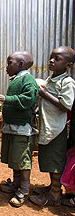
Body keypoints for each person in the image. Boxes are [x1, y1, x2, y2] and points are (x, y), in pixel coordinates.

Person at [29, 46, 75, 206]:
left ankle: (55, 195)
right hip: (47, 126)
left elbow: (66, 105)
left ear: (68, 65)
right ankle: (52, 187)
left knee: (55, 161)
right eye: (51, 57)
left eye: (57, 59)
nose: (51, 61)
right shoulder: (50, 79)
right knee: (49, 159)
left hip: (56, 128)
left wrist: (44, 94)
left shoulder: (67, 82)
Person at [0, 51, 39, 207]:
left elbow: (28, 99)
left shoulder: (28, 79)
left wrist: (6, 99)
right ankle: (16, 183)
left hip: (22, 129)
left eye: (9, 63)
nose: (6, 66)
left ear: (21, 64)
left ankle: (24, 190)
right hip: (12, 128)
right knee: (15, 158)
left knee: (23, 160)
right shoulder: (16, 79)